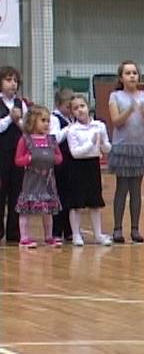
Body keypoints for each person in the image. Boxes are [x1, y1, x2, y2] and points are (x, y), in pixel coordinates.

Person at [108, 61, 144, 243]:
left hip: (139, 147)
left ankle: (135, 228)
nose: (132, 76)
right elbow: (116, 121)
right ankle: (117, 228)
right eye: (128, 73)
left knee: (136, 189)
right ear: (121, 78)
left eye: (134, 72)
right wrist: (129, 109)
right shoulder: (115, 96)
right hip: (122, 147)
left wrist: (143, 110)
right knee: (122, 188)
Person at [65, 94, 113, 246]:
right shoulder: (72, 130)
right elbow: (75, 152)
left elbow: (106, 148)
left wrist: (103, 143)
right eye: (75, 108)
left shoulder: (99, 126)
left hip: (93, 165)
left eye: (82, 106)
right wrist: (90, 143)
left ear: (88, 107)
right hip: (77, 167)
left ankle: (98, 234)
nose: (80, 110)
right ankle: (76, 234)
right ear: (72, 112)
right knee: (77, 204)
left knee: (95, 202)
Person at [14, 106, 63, 248]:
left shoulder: (51, 140)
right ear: (32, 121)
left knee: (48, 209)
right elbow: (18, 160)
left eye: (48, 121)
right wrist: (29, 158)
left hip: (48, 180)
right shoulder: (25, 140)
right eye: (43, 120)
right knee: (25, 209)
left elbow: (59, 157)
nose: (46, 124)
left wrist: (53, 159)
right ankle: (24, 237)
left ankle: (49, 236)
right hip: (31, 180)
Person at [0, 66, 28, 244]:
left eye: (15, 81)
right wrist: (10, 118)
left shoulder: (21, 104)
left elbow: (27, 129)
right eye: (8, 80)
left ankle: (14, 232)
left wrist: (18, 121)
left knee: (16, 191)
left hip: (17, 154)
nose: (13, 84)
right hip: (1, 153)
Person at [49, 88, 75, 241]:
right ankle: (57, 231)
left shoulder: (71, 119)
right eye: (67, 106)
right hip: (60, 162)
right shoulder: (54, 118)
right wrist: (68, 129)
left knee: (69, 195)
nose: (71, 109)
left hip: (71, 161)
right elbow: (54, 139)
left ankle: (69, 230)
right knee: (59, 195)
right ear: (59, 104)